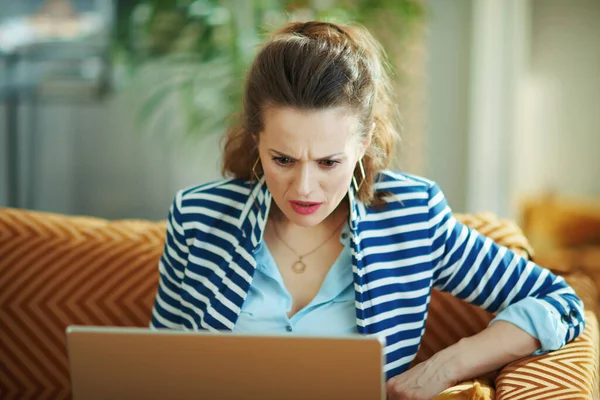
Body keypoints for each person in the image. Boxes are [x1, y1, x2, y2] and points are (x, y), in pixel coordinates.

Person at [149, 20, 585, 399]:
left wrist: (444, 367)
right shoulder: (198, 216)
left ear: (362, 145)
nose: (304, 188)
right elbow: (155, 368)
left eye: (328, 162)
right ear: (256, 140)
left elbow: (560, 302)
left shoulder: (413, 216)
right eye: (282, 159)